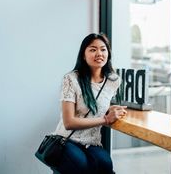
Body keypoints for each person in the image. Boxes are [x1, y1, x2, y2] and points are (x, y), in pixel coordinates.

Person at [53, 33, 127, 174]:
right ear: (83, 55)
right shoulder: (71, 79)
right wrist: (105, 119)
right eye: (93, 49)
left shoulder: (113, 81)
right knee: (81, 165)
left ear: (108, 54)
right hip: (67, 139)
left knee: (106, 164)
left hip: (92, 142)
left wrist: (110, 108)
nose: (99, 53)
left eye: (103, 49)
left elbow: (97, 104)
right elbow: (69, 122)